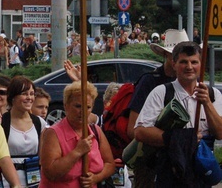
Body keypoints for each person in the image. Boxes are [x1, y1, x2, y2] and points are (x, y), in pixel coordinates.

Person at [134, 41, 222, 188]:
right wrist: (178, 137)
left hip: (201, 173)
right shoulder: (161, 93)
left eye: (194, 62)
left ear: (201, 65)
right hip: (169, 172)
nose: (189, 67)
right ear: (174, 64)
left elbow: (219, 133)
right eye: (183, 62)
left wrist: (206, 103)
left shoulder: (213, 95)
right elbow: (140, 132)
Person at [125, 28, 184, 188]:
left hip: (180, 162)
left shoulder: (190, 85)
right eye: (176, 55)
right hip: (150, 162)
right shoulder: (149, 82)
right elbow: (133, 128)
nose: (180, 62)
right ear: (166, 55)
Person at [39, 80, 115, 188]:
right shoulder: (53, 133)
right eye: (78, 106)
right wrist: (77, 152)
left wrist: (95, 178)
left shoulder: (95, 131)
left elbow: (110, 164)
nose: (83, 111)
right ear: (66, 106)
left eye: (88, 107)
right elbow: (50, 172)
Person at [2, 76, 47, 188]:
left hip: (34, 181)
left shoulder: (39, 123)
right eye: (24, 94)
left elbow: (42, 157)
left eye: (31, 94)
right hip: (7, 182)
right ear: (13, 97)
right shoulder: (1, 122)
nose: (29, 98)